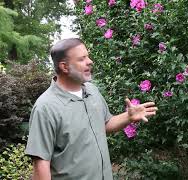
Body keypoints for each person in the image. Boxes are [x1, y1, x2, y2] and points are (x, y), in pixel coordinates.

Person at [25, 38, 158, 180]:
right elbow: (41, 166)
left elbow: (105, 124)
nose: (90, 61)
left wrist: (128, 117)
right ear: (64, 67)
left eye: (88, 56)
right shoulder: (46, 107)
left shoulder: (92, 91)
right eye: (82, 59)